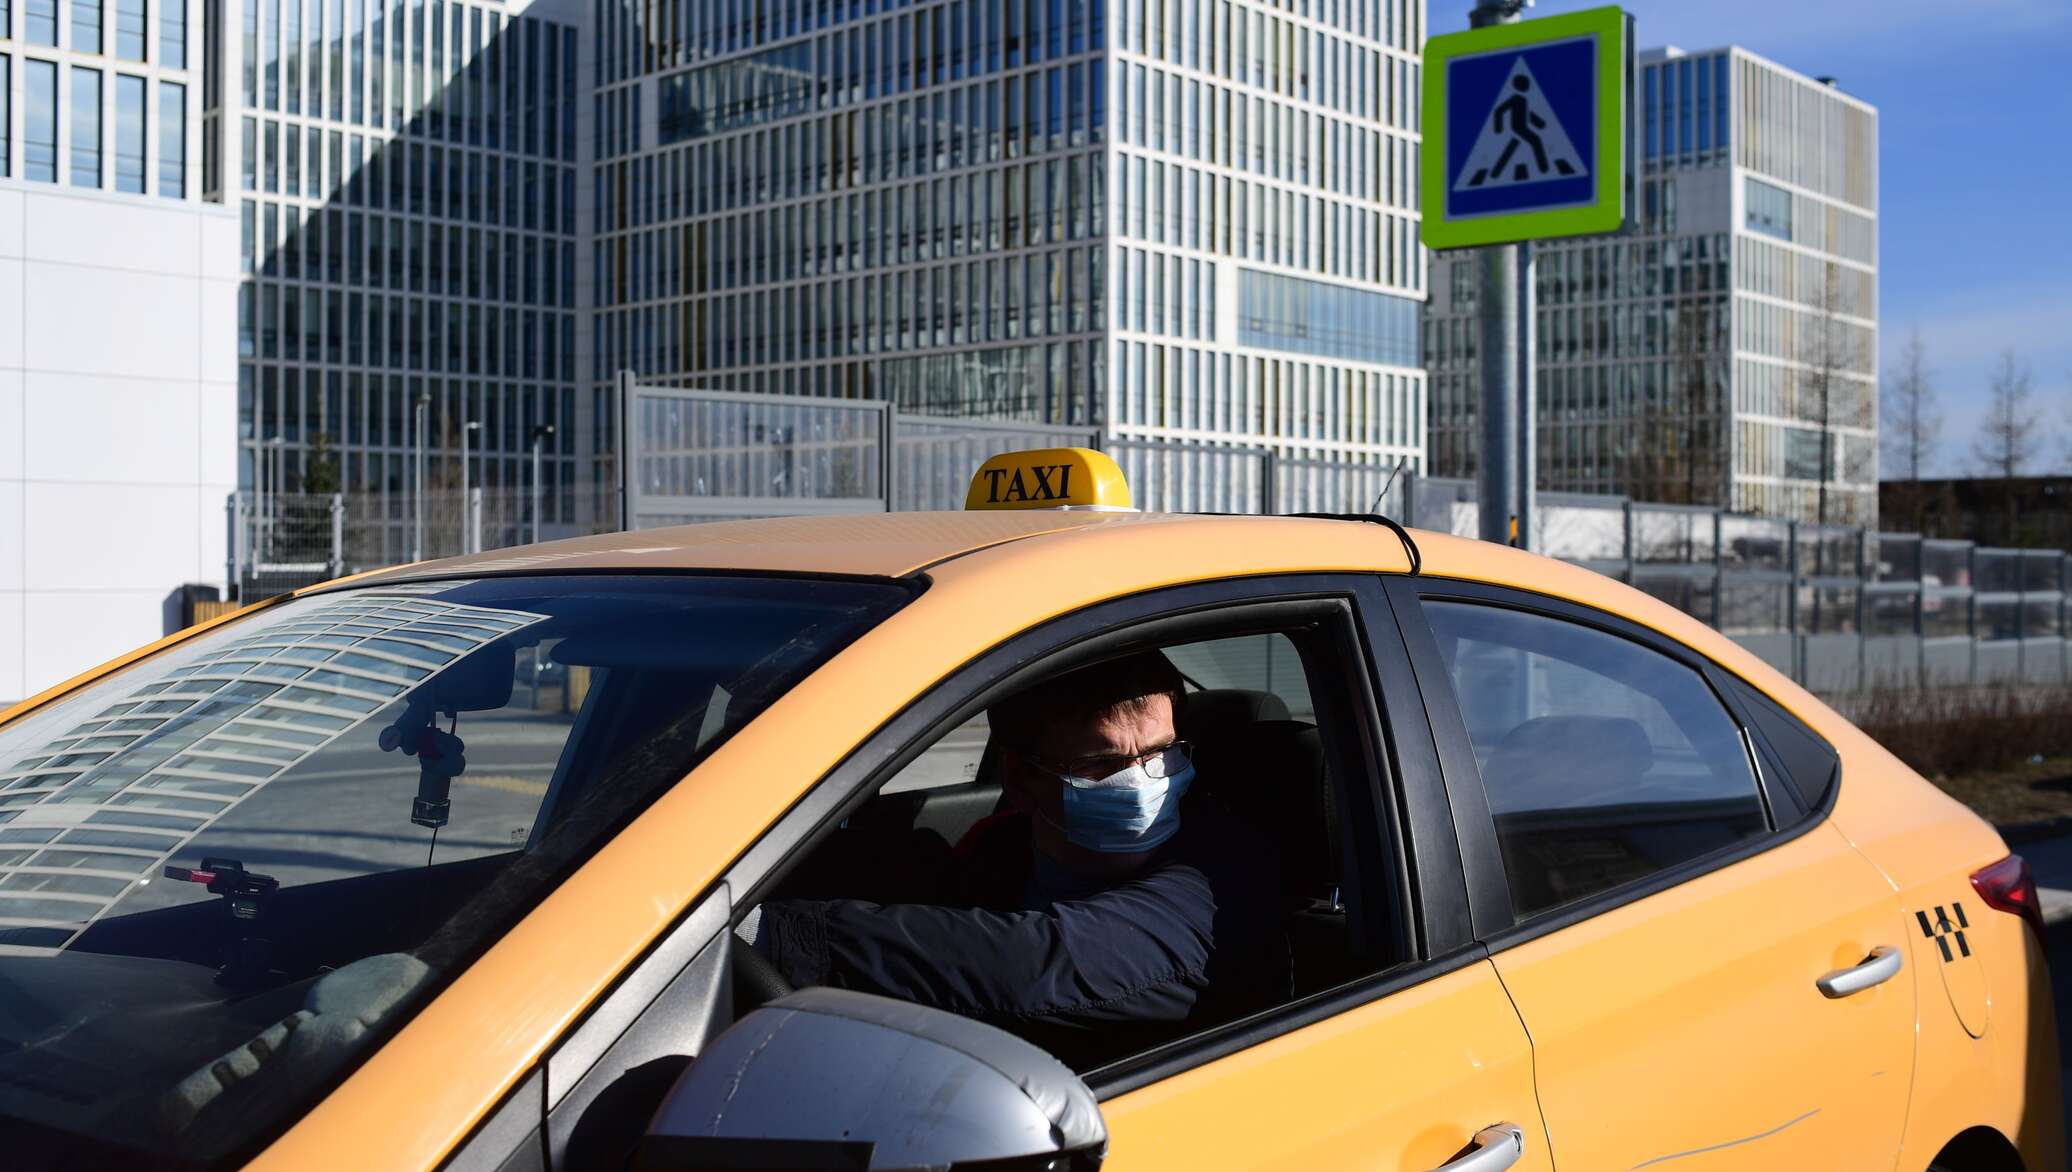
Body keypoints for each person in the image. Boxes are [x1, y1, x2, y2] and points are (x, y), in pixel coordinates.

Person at [739, 650, 1287, 1067]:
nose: (1143, 781)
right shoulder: (999, 845)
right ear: (1021, 779)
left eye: (1161, 752)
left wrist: (777, 940)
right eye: (1101, 763)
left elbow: (1036, 963)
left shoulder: (1219, 873)